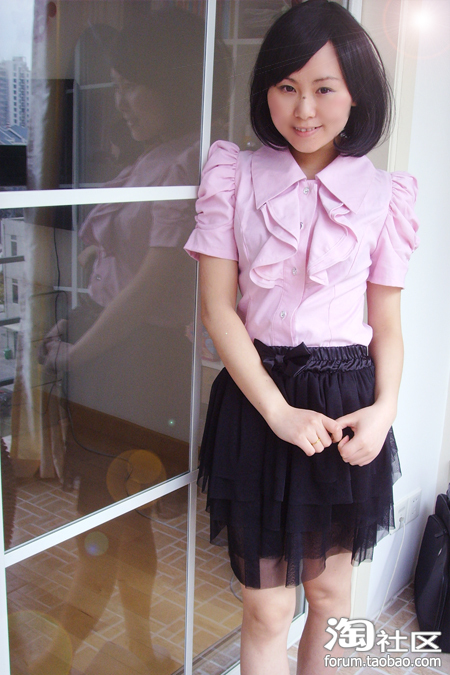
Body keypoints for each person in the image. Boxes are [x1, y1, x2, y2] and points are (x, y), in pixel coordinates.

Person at [184, 2, 419, 674]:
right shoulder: (233, 175)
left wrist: (384, 409)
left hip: (347, 403)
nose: (304, 108)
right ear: (266, 90)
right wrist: (278, 411)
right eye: (286, 86)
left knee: (331, 596)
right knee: (265, 609)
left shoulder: (386, 195)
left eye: (324, 88)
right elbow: (218, 310)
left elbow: (387, 325)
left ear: (357, 93)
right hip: (260, 398)